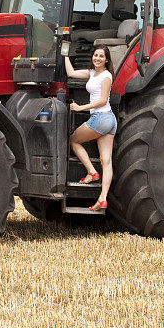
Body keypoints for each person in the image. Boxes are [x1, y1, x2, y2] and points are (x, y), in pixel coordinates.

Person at [64, 45, 117, 211]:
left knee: (73, 140)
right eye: (96, 55)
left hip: (101, 117)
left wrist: (81, 108)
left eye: (101, 56)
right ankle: (102, 199)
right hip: (108, 120)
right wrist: (64, 53)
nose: (98, 58)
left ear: (106, 60)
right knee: (106, 161)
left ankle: (92, 172)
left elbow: (102, 100)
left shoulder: (106, 76)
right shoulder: (92, 73)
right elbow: (71, 73)